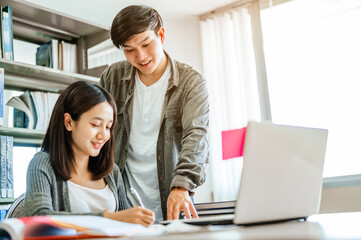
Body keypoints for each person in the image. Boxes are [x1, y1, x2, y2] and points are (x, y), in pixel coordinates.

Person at [100, 5, 209, 221]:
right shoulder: (111, 77)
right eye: (129, 49)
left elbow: (196, 137)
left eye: (146, 44)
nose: (140, 56)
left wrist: (182, 185)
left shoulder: (191, 83)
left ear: (161, 34)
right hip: (121, 205)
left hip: (173, 200)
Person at [24, 81, 155, 227]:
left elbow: (126, 223)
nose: (103, 135)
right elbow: (37, 218)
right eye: (95, 125)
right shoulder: (43, 164)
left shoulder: (112, 172)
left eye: (108, 127)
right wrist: (107, 218)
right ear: (68, 122)